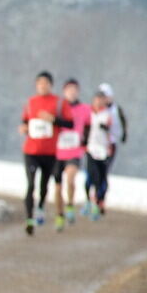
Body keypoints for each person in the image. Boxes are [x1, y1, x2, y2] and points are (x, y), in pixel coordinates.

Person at [19, 71, 72, 236]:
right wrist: (23, 128)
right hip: (31, 150)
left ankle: (41, 205)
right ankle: (29, 218)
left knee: (44, 185)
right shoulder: (30, 102)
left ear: (51, 85)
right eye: (40, 83)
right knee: (31, 184)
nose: (42, 86)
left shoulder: (58, 103)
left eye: (46, 83)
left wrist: (54, 120)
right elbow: (25, 122)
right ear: (36, 85)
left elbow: (70, 123)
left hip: (50, 151)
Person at [54, 78, 91, 226]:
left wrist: (86, 142)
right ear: (64, 91)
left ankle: (69, 205)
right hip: (57, 151)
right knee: (57, 186)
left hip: (74, 151)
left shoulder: (84, 109)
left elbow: (89, 126)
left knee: (70, 180)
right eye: (69, 89)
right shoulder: (58, 108)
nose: (72, 92)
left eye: (74, 90)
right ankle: (59, 214)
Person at [93, 82, 127, 214]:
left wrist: (124, 135)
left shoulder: (116, 110)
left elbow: (123, 123)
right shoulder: (95, 110)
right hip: (95, 146)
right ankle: (96, 196)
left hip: (110, 145)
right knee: (94, 173)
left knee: (104, 172)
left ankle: (101, 198)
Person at [84, 91, 113, 220]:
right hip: (91, 148)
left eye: (101, 100)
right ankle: (90, 201)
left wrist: (107, 131)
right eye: (96, 99)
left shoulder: (108, 114)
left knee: (102, 177)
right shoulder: (88, 113)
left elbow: (112, 132)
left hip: (103, 149)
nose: (98, 102)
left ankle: (99, 200)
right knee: (91, 174)